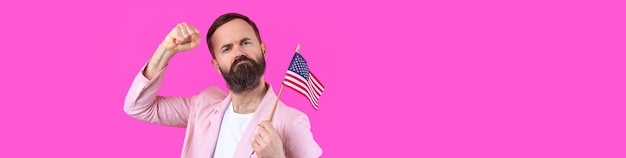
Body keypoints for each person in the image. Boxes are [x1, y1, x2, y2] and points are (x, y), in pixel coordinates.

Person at [124, 12, 322, 158]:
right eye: (227, 48)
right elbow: (138, 106)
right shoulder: (203, 106)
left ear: (263, 50)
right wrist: (165, 50)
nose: (238, 53)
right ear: (216, 66)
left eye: (245, 43)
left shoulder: (291, 122)